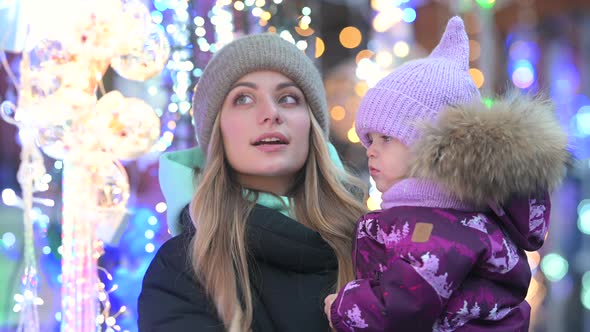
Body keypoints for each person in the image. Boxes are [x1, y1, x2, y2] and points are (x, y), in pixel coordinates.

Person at [324, 16, 569, 331]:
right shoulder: (446, 215)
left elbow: (405, 306)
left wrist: (343, 306)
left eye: (386, 138)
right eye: (369, 139)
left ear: (431, 145)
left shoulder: (436, 225)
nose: (371, 149)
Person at [138, 33, 368, 331]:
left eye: (288, 98)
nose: (271, 113)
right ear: (217, 131)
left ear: (312, 127)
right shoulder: (182, 270)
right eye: (243, 98)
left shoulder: (372, 245)